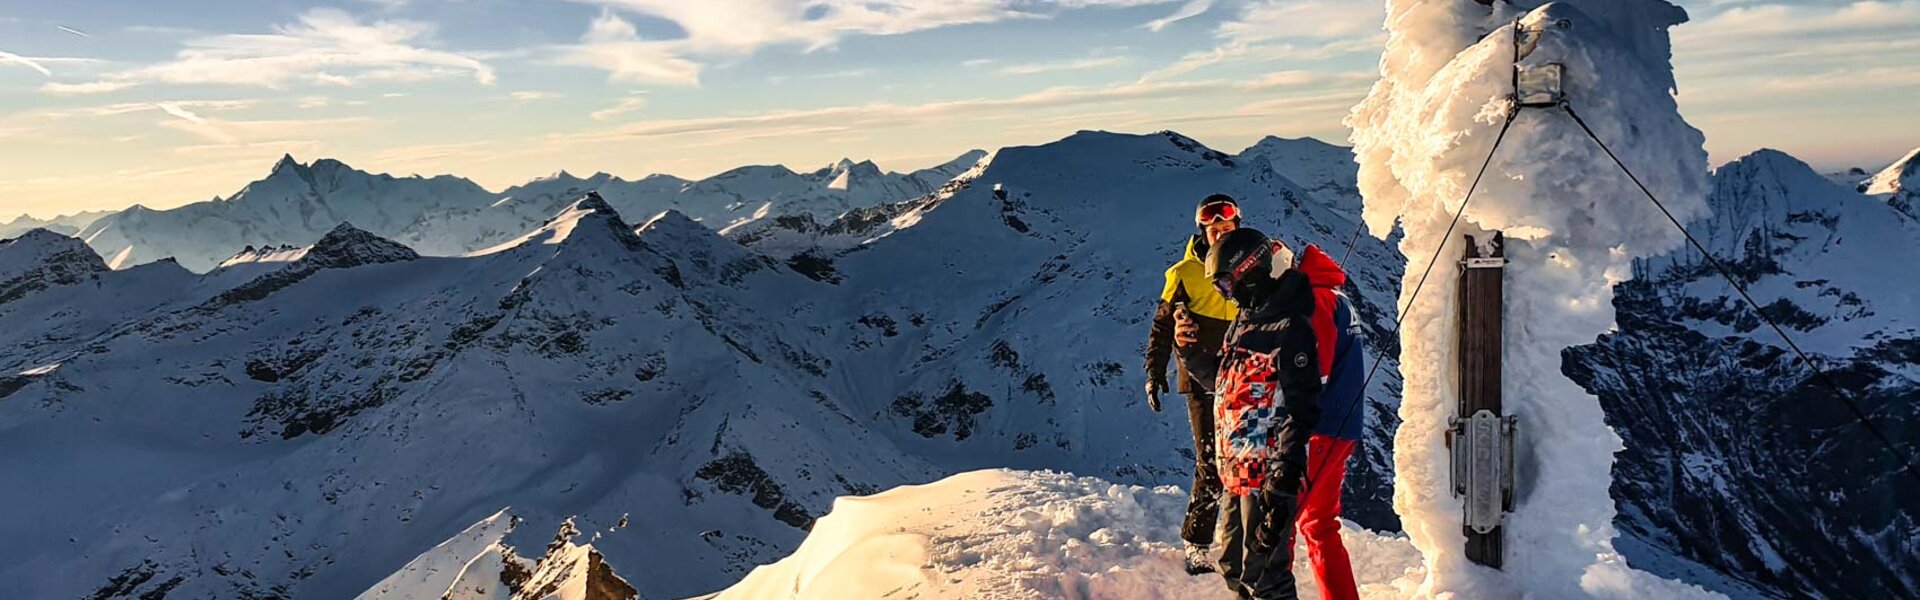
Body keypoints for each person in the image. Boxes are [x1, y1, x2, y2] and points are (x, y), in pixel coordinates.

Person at [1184, 227, 1322, 600]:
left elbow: (1302, 405)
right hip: (1236, 472)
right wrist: (1189, 352)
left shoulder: (1289, 328)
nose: (1223, 294)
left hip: (1267, 474)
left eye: (1225, 284)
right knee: (1234, 568)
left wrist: (1283, 479)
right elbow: (1225, 383)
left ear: (1250, 269)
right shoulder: (1243, 324)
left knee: (1266, 579)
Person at [1144, 194, 1244, 575]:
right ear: (1202, 229)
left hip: (1244, 373)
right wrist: (1155, 372)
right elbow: (1162, 325)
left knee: (1246, 459)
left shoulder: (1250, 263)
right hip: (1199, 372)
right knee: (1211, 459)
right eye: (1213, 228)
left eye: (1226, 228)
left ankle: (1243, 536)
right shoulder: (1184, 273)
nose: (1219, 234)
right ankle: (1197, 543)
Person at [1295, 244, 1364, 600]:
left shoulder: (1318, 300)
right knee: (1319, 525)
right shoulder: (1335, 296)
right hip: (1340, 425)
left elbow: (1313, 372)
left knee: (1278, 525)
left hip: (1319, 428)